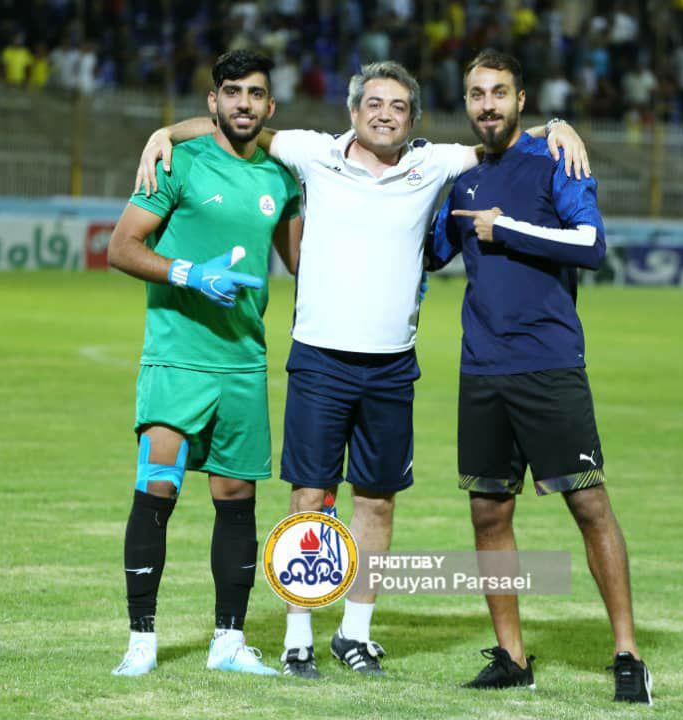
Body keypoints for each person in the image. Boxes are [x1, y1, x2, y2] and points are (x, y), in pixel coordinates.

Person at [134, 59, 591, 680]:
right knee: (308, 497)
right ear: (353, 111)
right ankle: (298, 636)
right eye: (373, 103)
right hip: (319, 359)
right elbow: (237, 124)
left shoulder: (436, 163)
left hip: (392, 365)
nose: (384, 114)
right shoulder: (313, 153)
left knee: (377, 501)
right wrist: (166, 132)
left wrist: (556, 126)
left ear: (414, 119)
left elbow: (500, 132)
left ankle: (354, 633)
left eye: (398, 106)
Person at [426, 49, 651, 703]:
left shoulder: (556, 157)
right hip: (482, 369)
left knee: (589, 504)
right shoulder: (463, 177)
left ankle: (628, 654)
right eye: (476, 94)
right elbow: (432, 251)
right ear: (466, 103)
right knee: (488, 512)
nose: (487, 105)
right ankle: (512, 657)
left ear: (520, 100)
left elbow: (591, 244)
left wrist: (509, 230)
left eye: (498, 92)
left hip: (549, 363)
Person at [106, 50, 303, 678]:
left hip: (243, 362)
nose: (244, 103)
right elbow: (121, 247)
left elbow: (303, 265)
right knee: (156, 489)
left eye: (256, 93)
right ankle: (141, 640)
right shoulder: (177, 161)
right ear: (213, 100)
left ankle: (228, 642)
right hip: (177, 359)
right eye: (232, 92)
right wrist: (188, 274)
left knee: (237, 499)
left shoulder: (282, 176)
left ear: (270, 106)